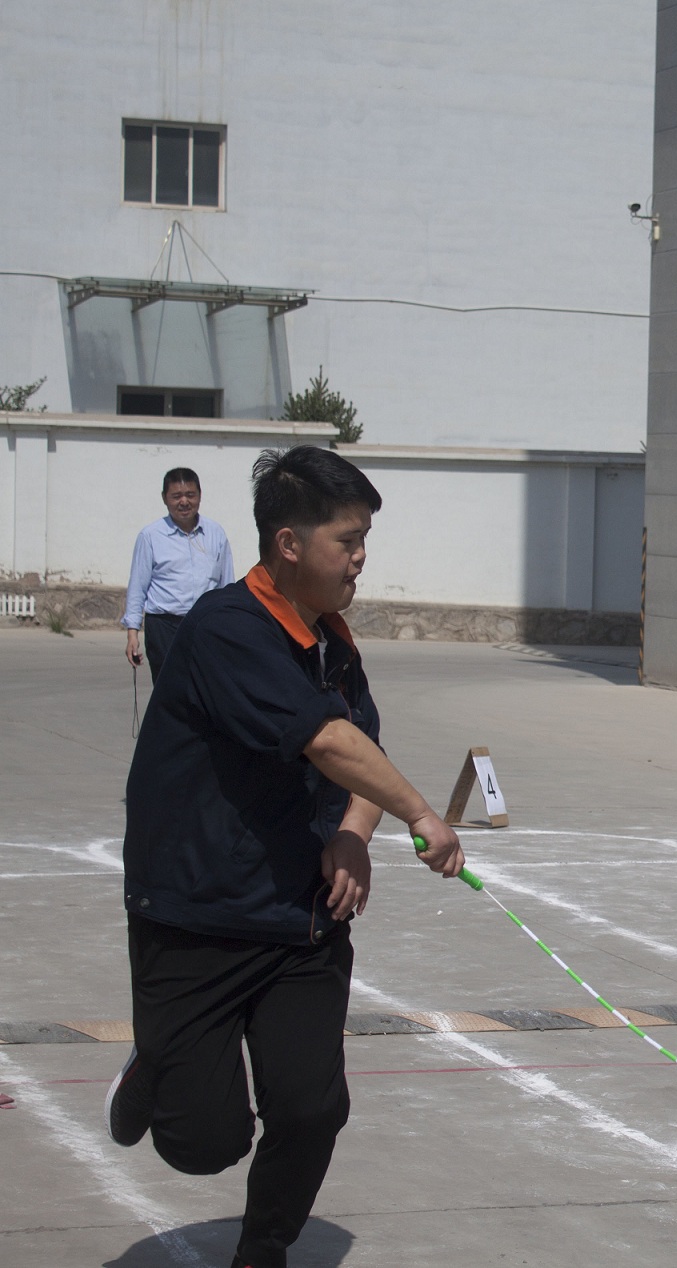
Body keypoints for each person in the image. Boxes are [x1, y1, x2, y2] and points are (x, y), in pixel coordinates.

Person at [107, 445, 468, 1268]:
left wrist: (354, 834)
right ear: (289, 544)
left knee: (311, 1108)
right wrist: (420, 813)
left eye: (365, 538)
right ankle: (157, 1065)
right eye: (348, 539)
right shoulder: (228, 630)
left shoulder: (331, 641)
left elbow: (363, 745)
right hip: (196, 915)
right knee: (204, 1143)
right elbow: (327, 741)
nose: (361, 557)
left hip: (300, 919)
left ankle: (261, 1250)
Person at [122, 467, 235, 682]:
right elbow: (138, 587)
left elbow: (227, 586)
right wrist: (132, 633)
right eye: (176, 496)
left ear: (200, 496)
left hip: (205, 626)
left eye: (190, 495)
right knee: (169, 690)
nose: (184, 502)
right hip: (164, 627)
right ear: (165, 498)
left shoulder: (216, 533)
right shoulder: (150, 536)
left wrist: (228, 628)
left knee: (206, 687)